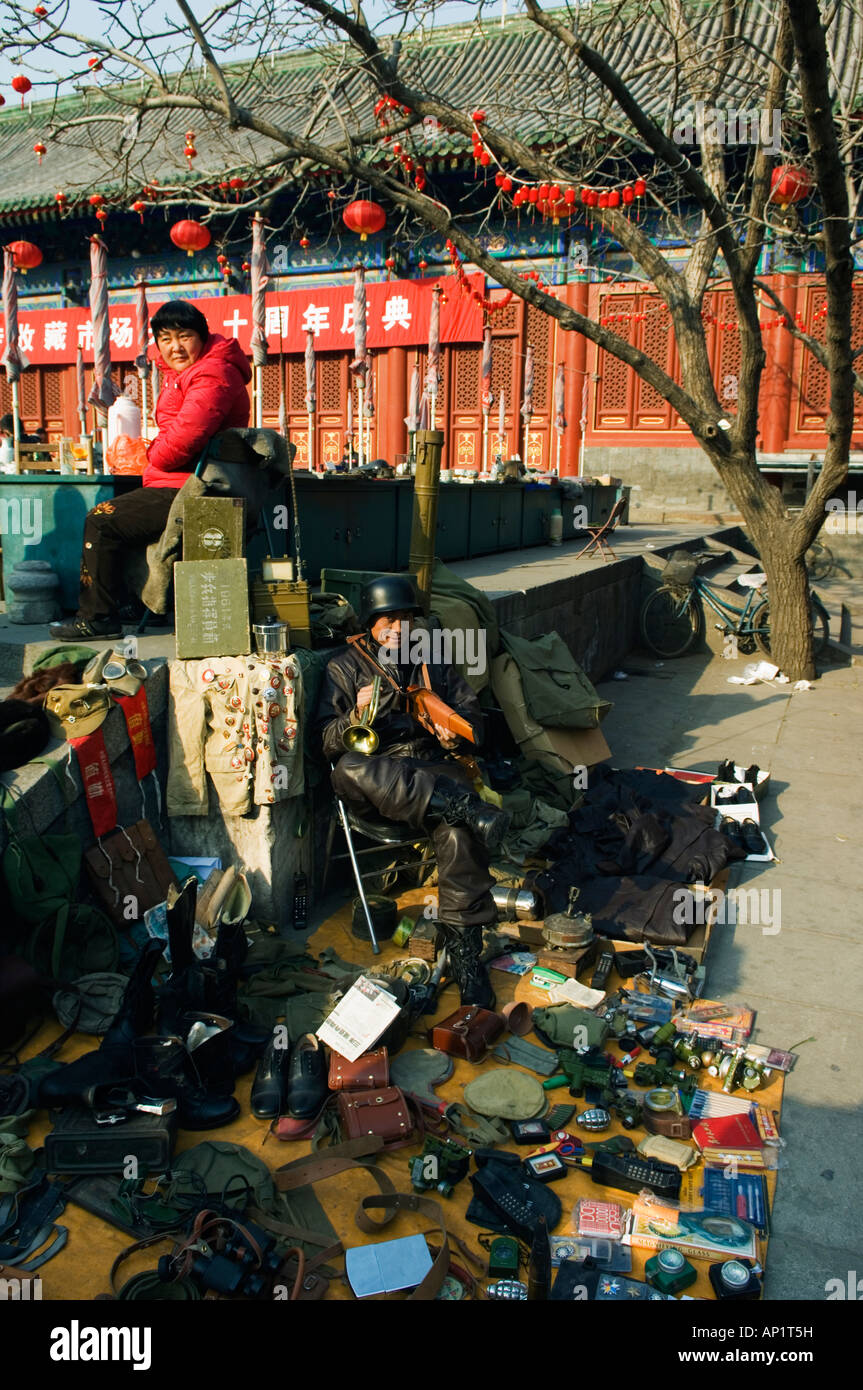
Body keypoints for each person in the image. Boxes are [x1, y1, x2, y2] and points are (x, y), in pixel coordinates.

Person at [316, 575, 511, 1009]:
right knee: (348, 767)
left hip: (430, 767)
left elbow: (475, 722)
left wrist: (452, 737)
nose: (400, 628)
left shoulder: (432, 661)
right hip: (379, 778)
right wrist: (354, 716)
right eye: (390, 618)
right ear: (371, 621)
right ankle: (464, 808)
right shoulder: (342, 667)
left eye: (406, 618)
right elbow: (324, 742)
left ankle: (466, 958)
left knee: (457, 831)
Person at [49, 300, 252, 640]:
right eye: (166, 338)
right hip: (183, 480)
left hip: (196, 486)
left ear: (202, 337)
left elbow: (185, 439)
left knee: (102, 518)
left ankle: (97, 616)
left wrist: (150, 453)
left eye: (184, 336)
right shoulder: (191, 372)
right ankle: (133, 605)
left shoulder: (213, 373)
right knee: (122, 507)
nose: (175, 347)